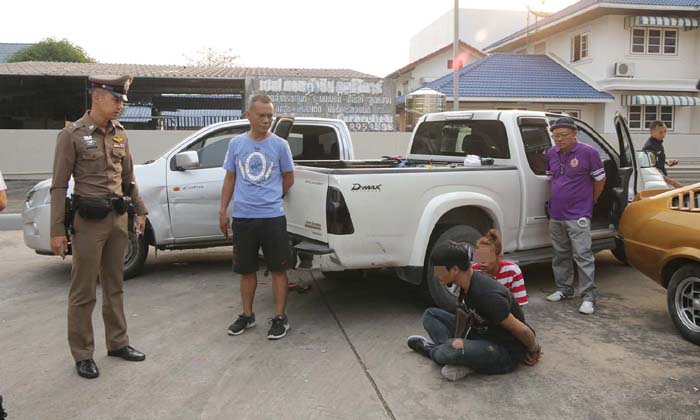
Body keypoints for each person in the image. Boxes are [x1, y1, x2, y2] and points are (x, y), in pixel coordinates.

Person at [50, 75, 147, 379]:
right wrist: (56, 230)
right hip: (88, 223)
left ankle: (118, 343)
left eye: (122, 101)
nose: (120, 106)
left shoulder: (121, 134)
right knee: (83, 291)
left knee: (115, 286)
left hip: (117, 219)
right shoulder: (72, 135)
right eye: (116, 99)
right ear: (96, 96)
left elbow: (129, 177)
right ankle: (82, 353)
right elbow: (58, 185)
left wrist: (140, 210)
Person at [407, 241, 541, 381]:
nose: (436, 275)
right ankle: (457, 357)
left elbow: (522, 330)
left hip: (503, 352)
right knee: (431, 315)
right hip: (480, 334)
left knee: (453, 348)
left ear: (454, 270)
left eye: (439, 270)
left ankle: (434, 351)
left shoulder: (487, 295)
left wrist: (534, 348)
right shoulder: (467, 281)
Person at [219, 94, 295, 340]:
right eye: (261, 115)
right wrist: (223, 210)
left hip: (272, 217)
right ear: (248, 116)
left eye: (270, 116)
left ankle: (280, 317)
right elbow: (230, 178)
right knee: (246, 269)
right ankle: (247, 315)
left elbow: (288, 178)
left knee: (278, 269)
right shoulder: (236, 144)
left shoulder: (280, 145)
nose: (266, 120)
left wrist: (272, 197)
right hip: (243, 218)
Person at [544, 117, 605, 315]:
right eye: (555, 136)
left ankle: (588, 297)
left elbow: (600, 180)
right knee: (560, 254)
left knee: (583, 255)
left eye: (563, 135)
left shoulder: (589, 153)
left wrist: (592, 200)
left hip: (578, 213)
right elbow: (551, 179)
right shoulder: (551, 153)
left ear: (574, 134)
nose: (558, 140)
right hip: (557, 213)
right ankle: (564, 290)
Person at [472, 229, 528, 306]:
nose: (482, 262)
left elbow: (519, 305)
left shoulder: (513, 271)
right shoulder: (473, 271)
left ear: (498, 257)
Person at [642, 121, 683, 188]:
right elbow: (653, 170)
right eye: (660, 132)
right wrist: (674, 183)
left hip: (662, 178)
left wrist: (666, 162)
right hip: (656, 181)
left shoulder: (658, 143)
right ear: (652, 132)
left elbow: (656, 159)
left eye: (665, 131)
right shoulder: (649, 147)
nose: (663, 134)